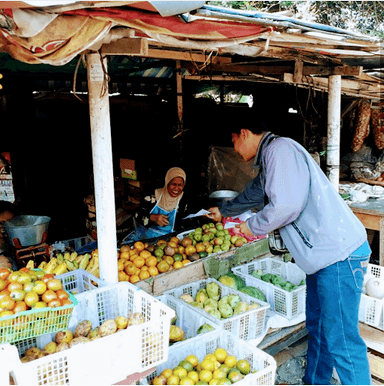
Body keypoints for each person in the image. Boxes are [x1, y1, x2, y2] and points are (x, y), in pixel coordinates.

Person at [206, 112, 372, 385]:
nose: (234, 149)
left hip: (339, 257)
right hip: (321, 259)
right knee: (318, 328)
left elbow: (286, 205)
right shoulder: (272, 157)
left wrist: (253, 226)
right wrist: (223, 210)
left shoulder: (279, 150)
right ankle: (314, 381)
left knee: (341, 339)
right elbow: (256, 193)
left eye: (234, 141)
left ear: (245, 134)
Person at [128, 167, 203, 242]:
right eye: (174, 184)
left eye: (180, 185)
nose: (176, 188)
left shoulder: (186, 200)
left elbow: (193, 218)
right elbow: (137, 214)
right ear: (167, 182)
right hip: (149, 237)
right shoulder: (153, 196)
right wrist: (152, 218)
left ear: (184, 185)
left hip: (172, 240)